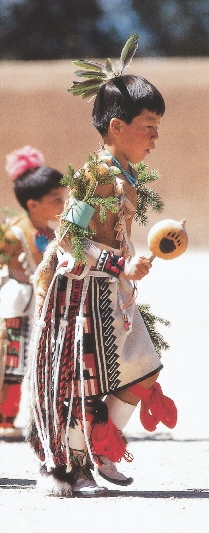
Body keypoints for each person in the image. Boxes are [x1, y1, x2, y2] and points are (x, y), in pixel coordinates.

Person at [27, 35, 177, 497]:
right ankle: (66, 466)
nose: (155, 135)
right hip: (82, 293)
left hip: (112, 290)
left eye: (157, 125)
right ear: (116, 125)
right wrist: (118, 262)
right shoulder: (94, 175)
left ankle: (102, 447)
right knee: (78, 384)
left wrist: (131, 262)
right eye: (148, 125)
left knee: (144, 369)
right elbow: (69, 236)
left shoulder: (127, 175)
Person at [0, 145, 66, 435]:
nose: (62, 206)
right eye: (56, 200)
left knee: (43, 364)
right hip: (15, 308)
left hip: (45, 308)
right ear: (33, 204)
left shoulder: (55, 235)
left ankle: (43, 420)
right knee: (12, 364)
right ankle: (5, 417)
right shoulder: (12, 234)